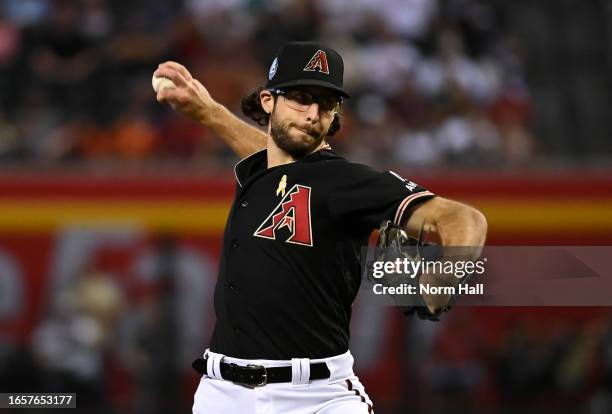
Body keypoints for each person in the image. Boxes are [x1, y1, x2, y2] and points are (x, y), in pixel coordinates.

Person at [154, 41, 487, 414]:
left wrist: (442, 278)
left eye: (326, 103)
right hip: (222, 393)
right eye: (300, 97)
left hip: (317, 397)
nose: (313, 113)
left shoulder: (344, 181)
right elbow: (267, 152)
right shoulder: (263, 168)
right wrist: (209, 112)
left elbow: (465, 219)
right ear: (268, 101)